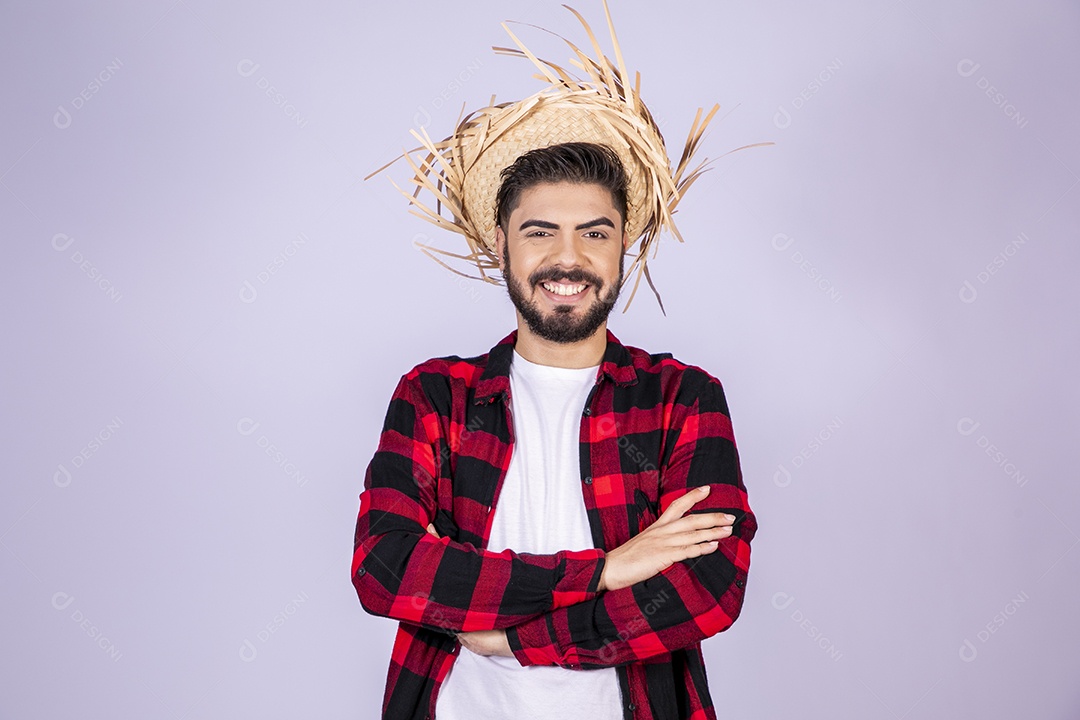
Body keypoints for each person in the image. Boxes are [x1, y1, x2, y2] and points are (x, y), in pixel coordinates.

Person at [353, 4, 761, 719]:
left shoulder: (682, 400)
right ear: (501, 248)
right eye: (540, 232)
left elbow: (705, 590)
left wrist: (510, 639)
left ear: (621, 250)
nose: (567, 258)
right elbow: (387, 566)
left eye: (593, 233)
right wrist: (607, 569)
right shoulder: (434, 397)